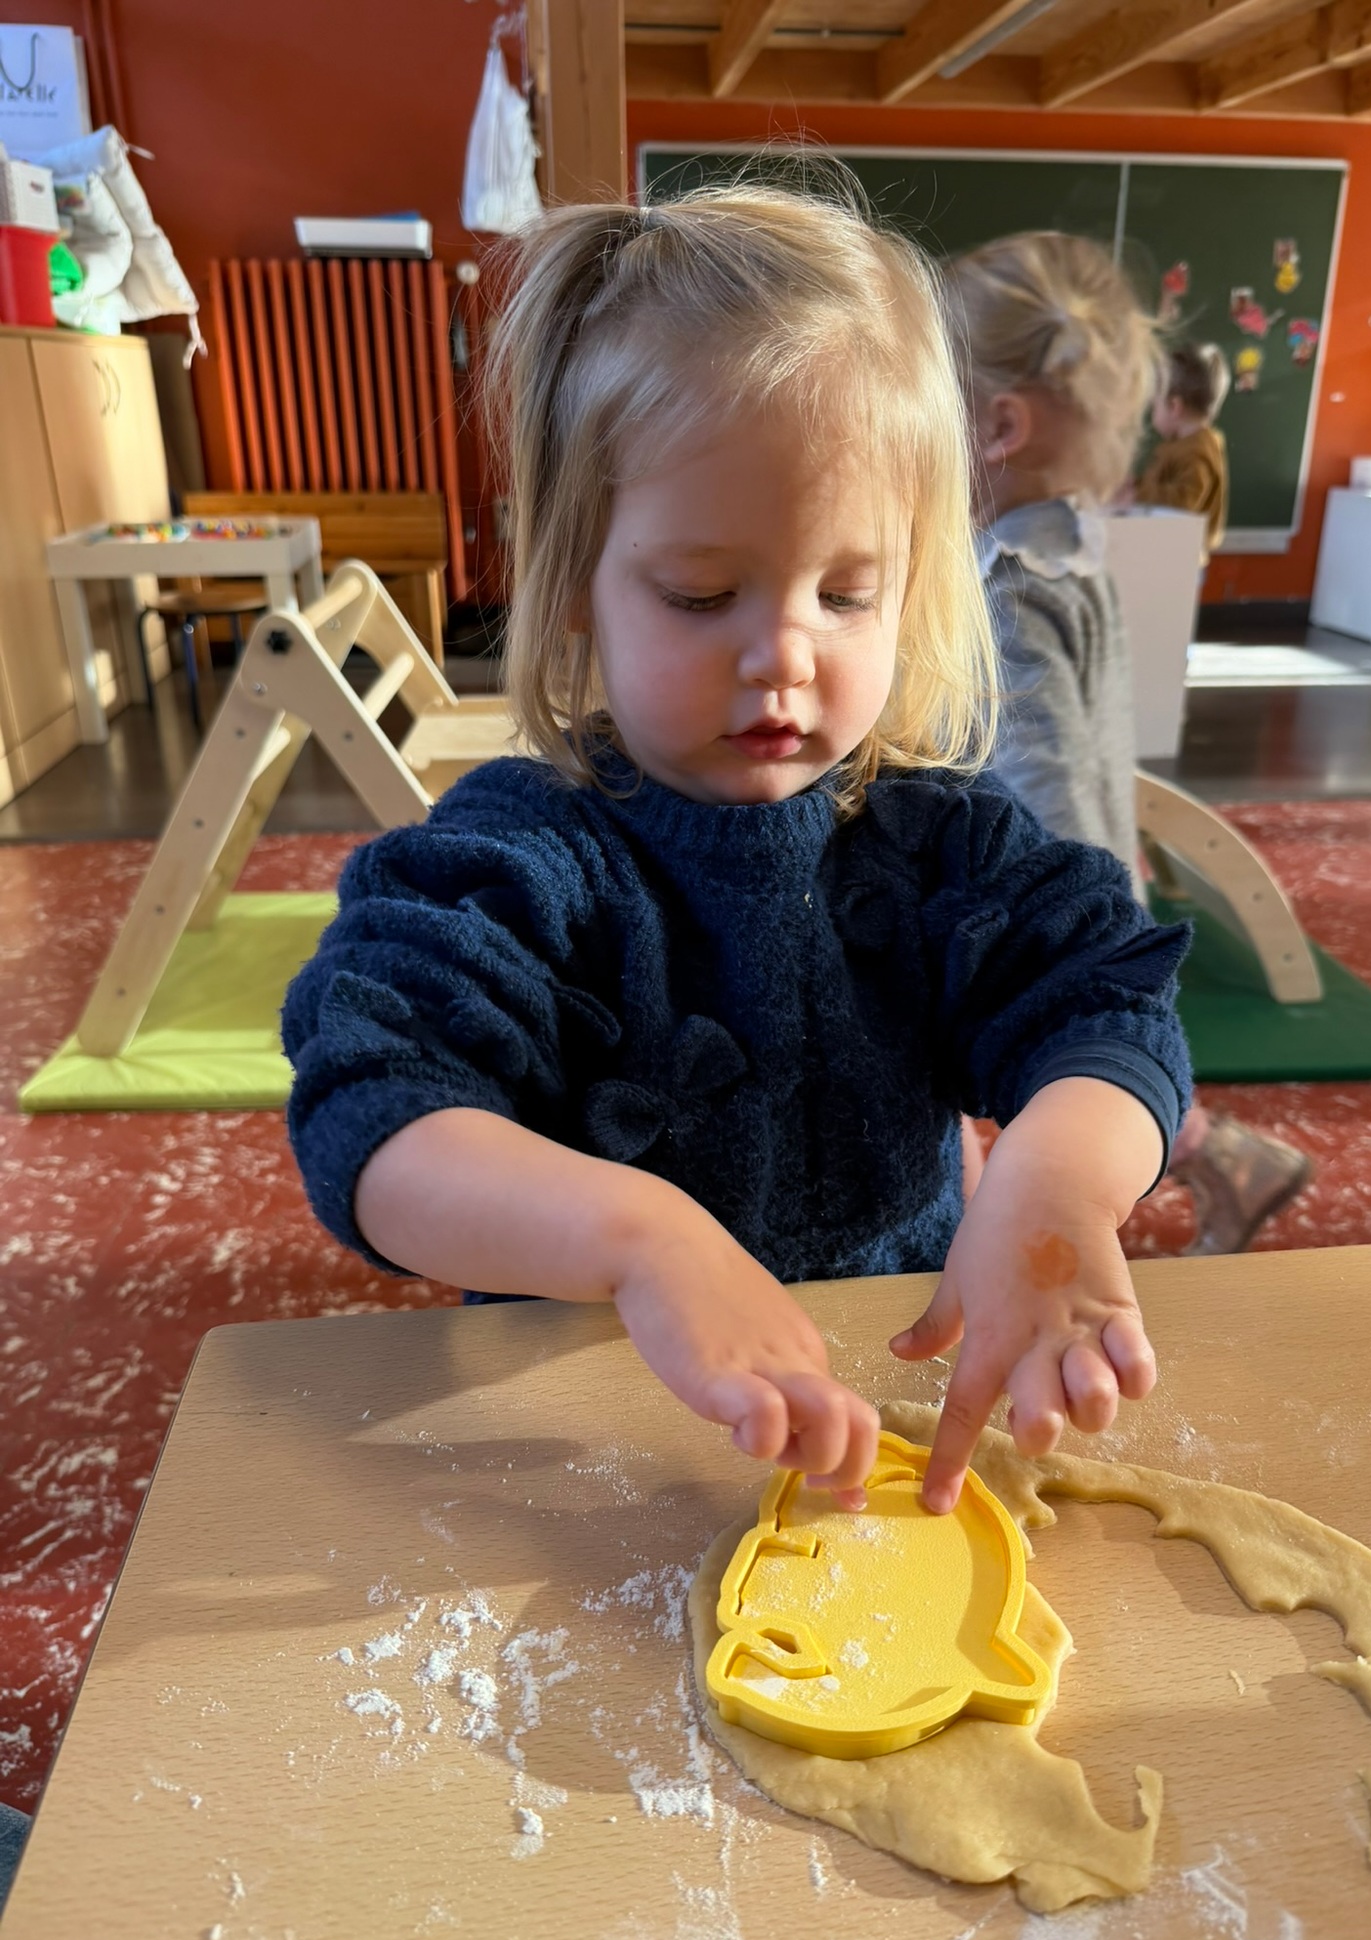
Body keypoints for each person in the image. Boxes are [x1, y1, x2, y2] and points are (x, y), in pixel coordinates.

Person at [282, 185, 1193, 1517]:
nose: (783, 654)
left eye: (847, 592)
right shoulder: (524, 858)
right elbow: (374, 1110)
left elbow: (1104, 1001)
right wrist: (641, 1243)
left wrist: (1054, 1179)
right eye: (702, 594)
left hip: (882, 1405)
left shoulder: (938, 845)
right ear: (578, 580)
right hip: (599, 1430)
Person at [944, 233, 1311, 1256]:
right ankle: (1224, 1160)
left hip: (1039, 896)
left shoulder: (1007, 587)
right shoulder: (1072, 551)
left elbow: (1042, 769)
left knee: (999, 1085)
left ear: (997, 426)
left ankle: (989, 1253)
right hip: (1097, 869)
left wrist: (1080, 913)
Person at [1136, 342, 1231, 555]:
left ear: (1174, 407)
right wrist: (1135, 486)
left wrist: (1137, 493)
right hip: (1167, 547)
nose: (1152, 412)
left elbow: (1182, 504)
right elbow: (1163, 485)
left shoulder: (1198, 451)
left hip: (1181, 557)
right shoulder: (1180, 444)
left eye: (1154, 405)